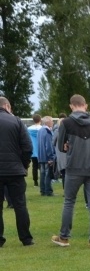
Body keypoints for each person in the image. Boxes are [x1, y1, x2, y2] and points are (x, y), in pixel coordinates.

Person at [52, 95, 90, 248]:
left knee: (69, 202)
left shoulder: (66, 123)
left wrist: (68, 146)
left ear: (71, 106)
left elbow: (60, 146)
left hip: (74, 168)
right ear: (85, 105)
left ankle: (64, 237)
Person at [0, 97, 34, 247]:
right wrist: (24, 165)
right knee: (20, 205)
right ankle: (26, 238)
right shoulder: (17, 122)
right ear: (7, 106)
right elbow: (27, 147)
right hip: (15, 170)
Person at [37, 116, 56, 196]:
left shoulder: (40, 130)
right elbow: (48, 146)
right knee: (48, 174)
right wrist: (51, 157)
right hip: (46, 157)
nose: (53, 122)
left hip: (41, 156)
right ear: (48, 122)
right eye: (52, 121)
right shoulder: (47, 132)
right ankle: (48, 191)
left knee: (42, 174)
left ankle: (42, 190)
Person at [27, 114, 41, 187]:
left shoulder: (28, 129)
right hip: (41, 150)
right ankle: (43, 181)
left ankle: (35, 182)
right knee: (42, 167)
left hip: (33, 150)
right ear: (40, 120)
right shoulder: (42, 129)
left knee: (34, 167)